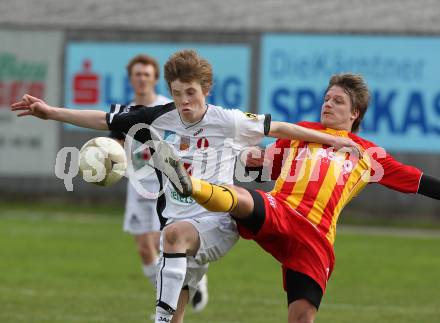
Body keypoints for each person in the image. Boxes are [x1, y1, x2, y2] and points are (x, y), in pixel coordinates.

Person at [11, 50, 359, 323]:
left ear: (206, 89)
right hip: (177, 220)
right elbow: (105, 119)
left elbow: (282, 128)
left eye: (191, 93)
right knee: (176, 292)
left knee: (173, 236)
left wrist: (332, 141)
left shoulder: (229, 120)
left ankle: (186, 187)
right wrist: (50, 112)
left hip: (218, 221)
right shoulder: (160, 115)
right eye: (178, 94)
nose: (185, 102)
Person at [155, 73, 440, 323]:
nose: (327, 104)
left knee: (302, 317)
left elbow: (419, 182)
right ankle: (190, 186)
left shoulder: (370, 155)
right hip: (281, 211)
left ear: (355, 113)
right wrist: (243, 156)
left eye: (338, 101)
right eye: (326, 98)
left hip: (315, 239)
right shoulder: (303, 133)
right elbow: (263, 165)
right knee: (242, 197)